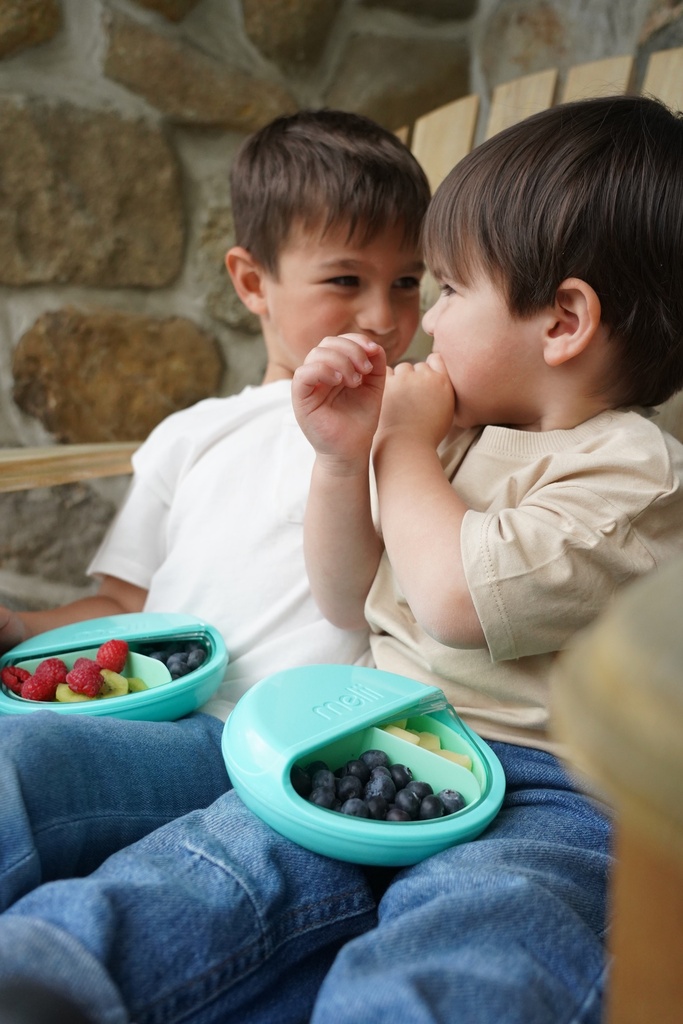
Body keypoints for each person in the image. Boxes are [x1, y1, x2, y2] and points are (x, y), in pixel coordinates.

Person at [1, 93, 682, 1024]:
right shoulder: (458, 437)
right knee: (225, 861)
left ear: (561, 321)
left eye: (445, 289)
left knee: (489, 922)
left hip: (540, 786)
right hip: (375, 735)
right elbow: (341, 591)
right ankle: (61, 969)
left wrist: (399, 446)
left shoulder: (631, 472)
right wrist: (339, 455)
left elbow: (453, 600)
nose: (425, 326)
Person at [0, 108, 429, 912]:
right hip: (139, 709)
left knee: (17, 766)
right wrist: (20, 626)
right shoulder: (190, 435)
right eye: (346, 280)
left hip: (258, 738)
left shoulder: (410, 419)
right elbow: (124, 608)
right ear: (251, 281)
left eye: (407, 280)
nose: (384, 316)